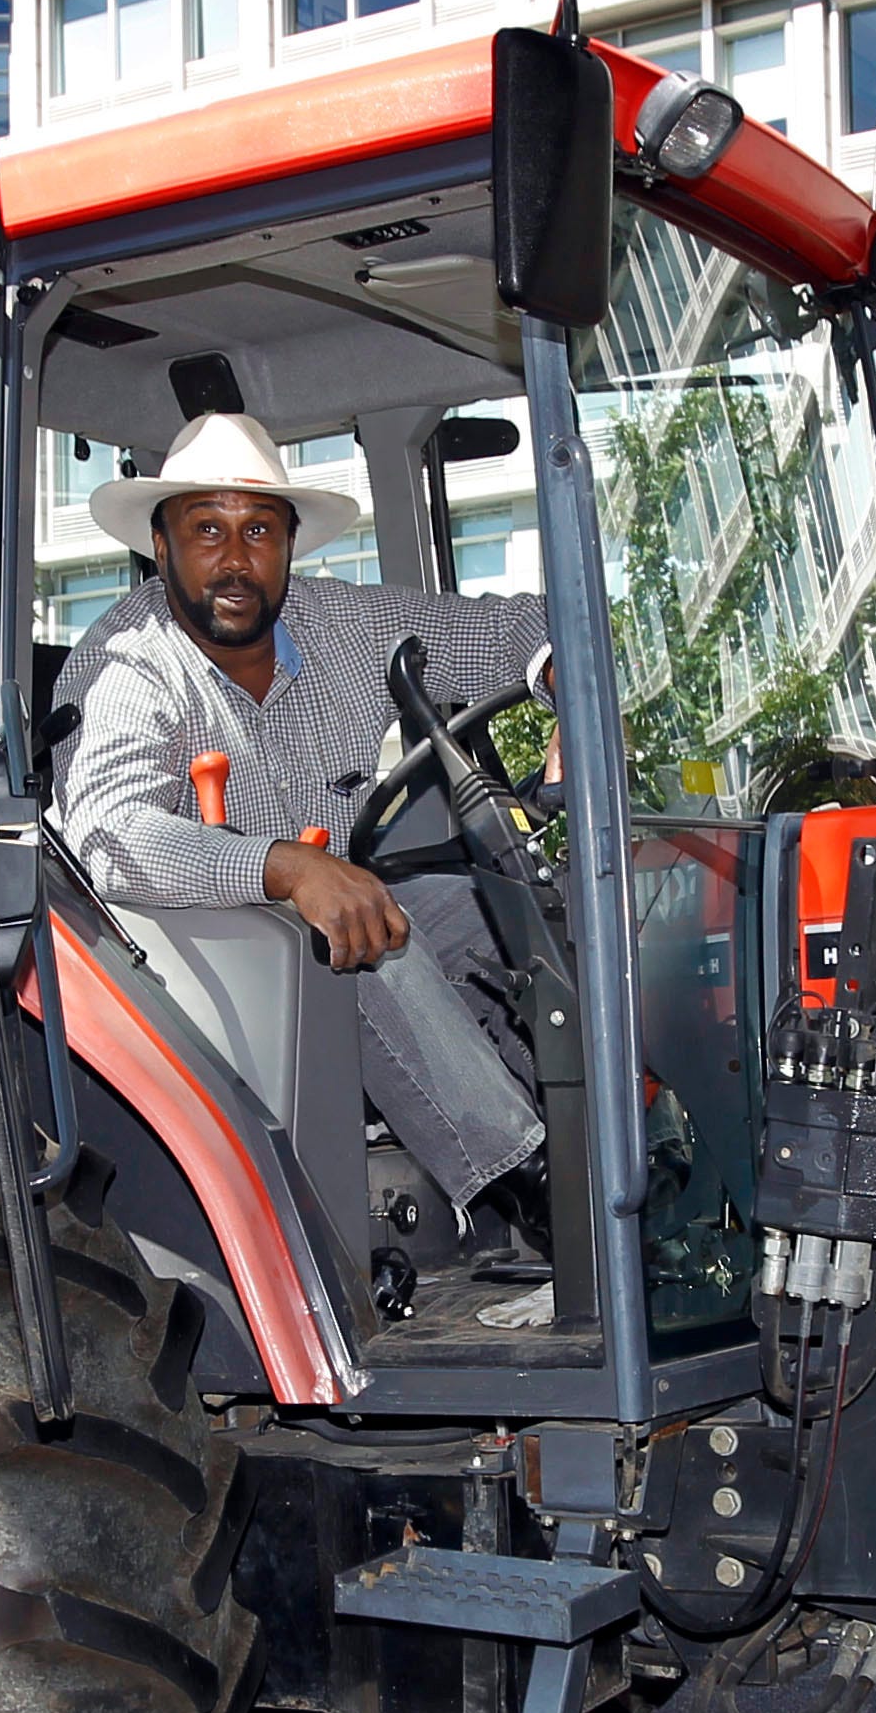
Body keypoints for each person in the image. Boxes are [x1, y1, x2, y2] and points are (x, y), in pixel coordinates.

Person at [49, 411, 549, 1230]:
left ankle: (604, 1135)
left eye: (258, 531)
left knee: (492, 904)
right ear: (160, 542)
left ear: (289, 544)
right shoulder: (126, 663)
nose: (235, 559)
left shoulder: (340, 625)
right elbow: (111, 834)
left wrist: (561, 682)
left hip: (305, 928)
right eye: (206, 529)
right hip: (179, 974)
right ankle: (529, 1193)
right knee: (347, 935)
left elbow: (503, 630)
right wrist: (286, 868)